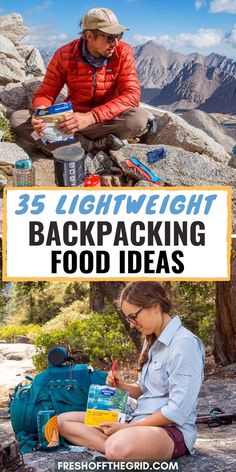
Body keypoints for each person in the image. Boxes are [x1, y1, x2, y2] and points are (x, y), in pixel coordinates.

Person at [57, 282, 205, 461]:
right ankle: (119, 446)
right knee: (63, 421)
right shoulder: (151, 340)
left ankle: (116, 446)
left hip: (169, 431)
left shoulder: (184, 344)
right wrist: (122, 386)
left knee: (118, 447)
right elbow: (145, 389)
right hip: (136, 421)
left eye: (134, 316)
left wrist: (126, 429)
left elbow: (177, 411)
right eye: (129, 319)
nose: (132, 325)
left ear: (154, 306)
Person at [10, 7, 150, 154]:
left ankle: (66, 145)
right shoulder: (64, 54)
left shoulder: (123, 52)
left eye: (118, 35)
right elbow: (45, 93)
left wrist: (91, 117)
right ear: (89, 36)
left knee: (138, 120)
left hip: (106, 119)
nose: (115, 43)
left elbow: (132, 95)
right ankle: (93, 146)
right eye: (109, 37)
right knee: (18, 119)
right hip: (72, 120)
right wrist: (41, 114)